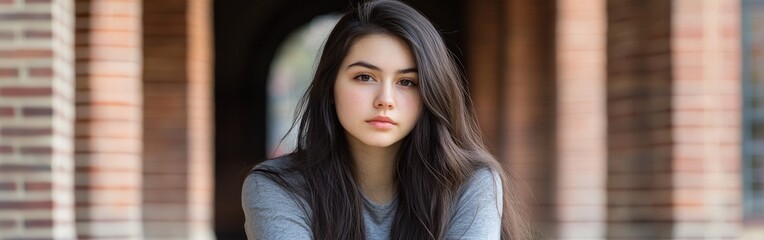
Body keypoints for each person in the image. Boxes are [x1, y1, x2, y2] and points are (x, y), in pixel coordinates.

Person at [242, 0, 531, 239]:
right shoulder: (276, 188)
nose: (385, 99)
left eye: (407, 82)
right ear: (330, 87)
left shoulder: (469, 184)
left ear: (431, 92)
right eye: (364, 77)